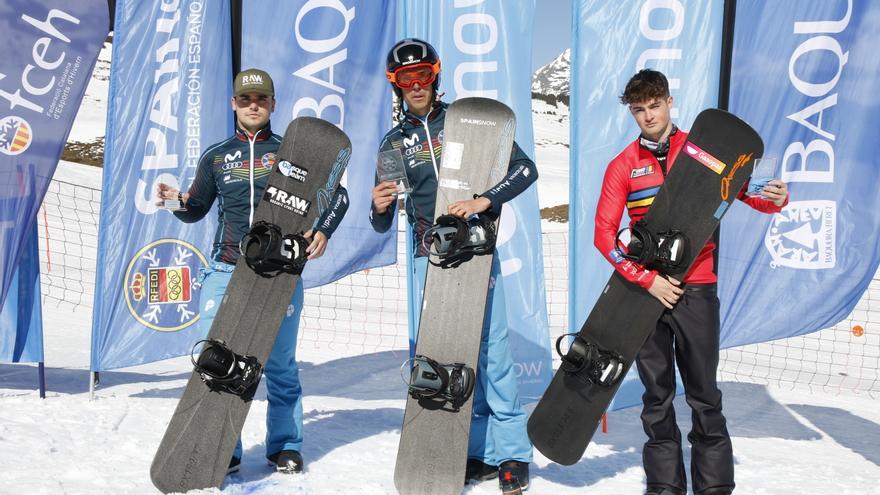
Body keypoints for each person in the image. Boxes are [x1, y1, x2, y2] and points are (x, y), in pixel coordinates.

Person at [594, 69, 789, 495]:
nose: (648, 116)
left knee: (704, 394)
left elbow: (745, 192)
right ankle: (665, 485)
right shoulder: (623, 165)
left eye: (654, 106)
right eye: (639, 109)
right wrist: (646, 282)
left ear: (669, 102)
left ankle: (714, 486)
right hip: (644, 296)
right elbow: (604, 237)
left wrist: (775, 198)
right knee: (656, 396)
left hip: (697, 288)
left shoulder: (702, 150)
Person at [155, 68, 349, 475]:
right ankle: (224, 445)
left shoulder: (293, 150)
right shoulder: (216, 155)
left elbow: (339, 196)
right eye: (246, 99)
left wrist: (323, 230)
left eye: (261, 99)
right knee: (219, 359)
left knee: (279, 364)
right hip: (226, 268)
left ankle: (286, 445)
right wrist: (176, 202)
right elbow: (197, 208)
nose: (254, 105)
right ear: (234, 104)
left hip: (281, 273)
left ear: (273, 104)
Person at [370, 38, 537, 493]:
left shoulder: (469, 121)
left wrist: (486, 199)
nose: (416, 85)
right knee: (447, 354)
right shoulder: (393, 143)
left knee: (492, 352)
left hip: (478, 253)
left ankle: (512, 454)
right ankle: (474, 450)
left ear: (436, 76)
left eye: (423, 74)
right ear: (396, 85)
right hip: (431, 259)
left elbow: (525, 170)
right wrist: (380, 206)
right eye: (407, 79)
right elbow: (382, 223)